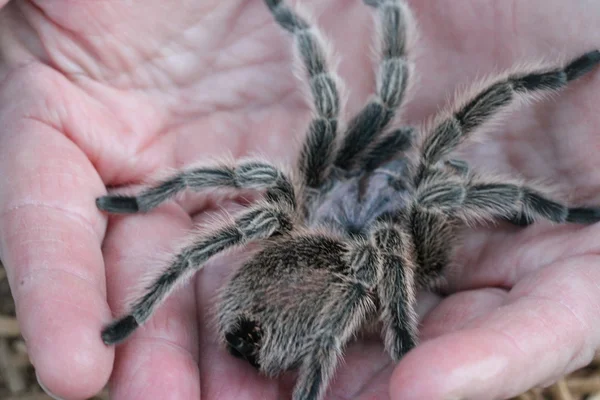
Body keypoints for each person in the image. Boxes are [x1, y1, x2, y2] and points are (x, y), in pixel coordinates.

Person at [1, 1, 599, 399]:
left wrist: (565, 213)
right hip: (296, 277)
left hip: (320, 267)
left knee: (340, 209)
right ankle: (154, 302)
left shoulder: (390, 219)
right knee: (315, 150)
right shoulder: (372, 197)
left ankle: (160, 310)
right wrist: (403, 346)